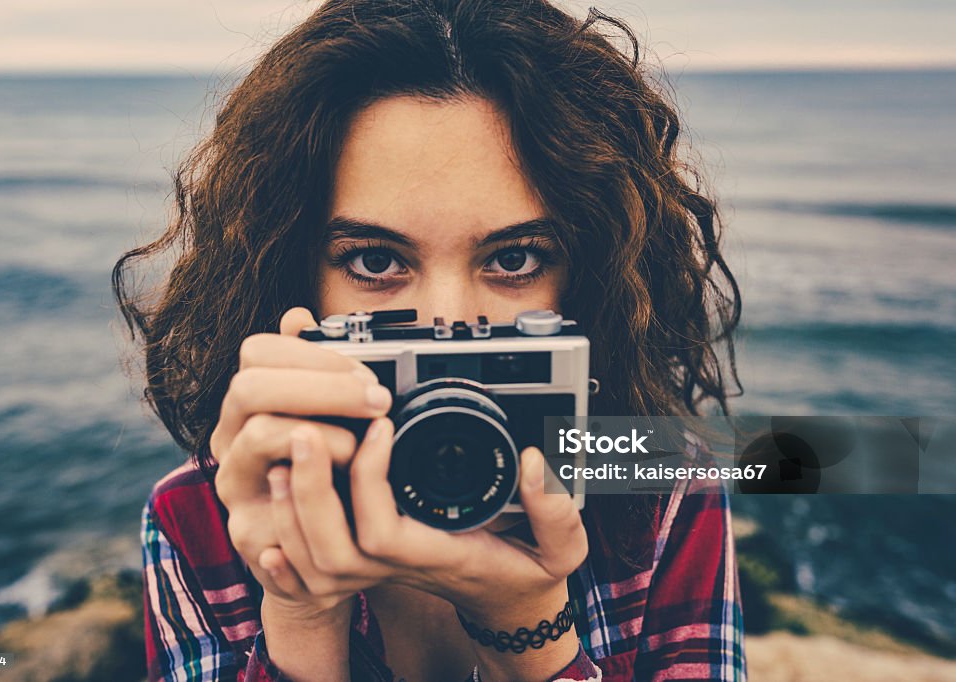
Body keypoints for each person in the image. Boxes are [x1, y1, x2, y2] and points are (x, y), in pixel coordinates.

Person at [113, 0, 746, 680]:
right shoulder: (202, 517)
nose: (450, 321)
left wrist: (528, 624)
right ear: (295, 281)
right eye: (377, 262)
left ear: (589, 279)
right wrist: (299, 608)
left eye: (514, 259)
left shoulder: (662, 484)